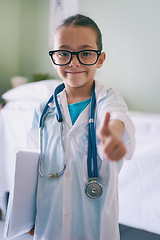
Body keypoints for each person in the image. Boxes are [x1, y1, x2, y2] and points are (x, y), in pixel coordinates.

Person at [28, 14, 135, 240]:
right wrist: (27, 216)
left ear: (100, 59)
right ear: (53, 58)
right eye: (64, 53)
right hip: (49, 222)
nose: (73, 62)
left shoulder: (108, 99)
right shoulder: (43, 109)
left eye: (85, 53)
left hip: (94, 227)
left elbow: (116, 117)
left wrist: (113, 136)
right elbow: (31, 164)